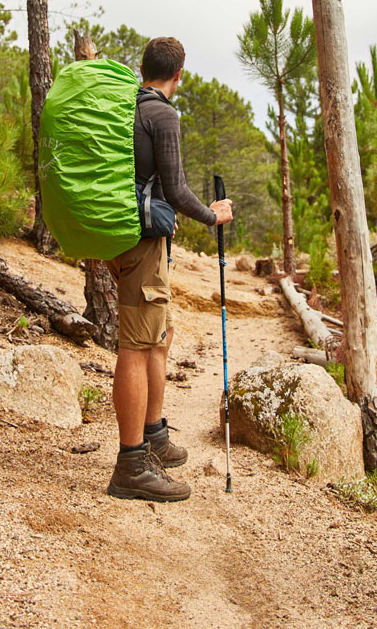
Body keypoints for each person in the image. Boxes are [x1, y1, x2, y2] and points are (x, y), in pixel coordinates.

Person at [106, 37, 233, 502]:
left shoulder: (129, 106)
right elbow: (178, 189)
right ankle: (131, 464)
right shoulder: (162, 113)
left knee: (161, 334)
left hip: (137, 237)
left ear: (144, 68)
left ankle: (153, 433)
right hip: (141, 244)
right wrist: (212, 215)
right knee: (137, 345)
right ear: (178, 74)